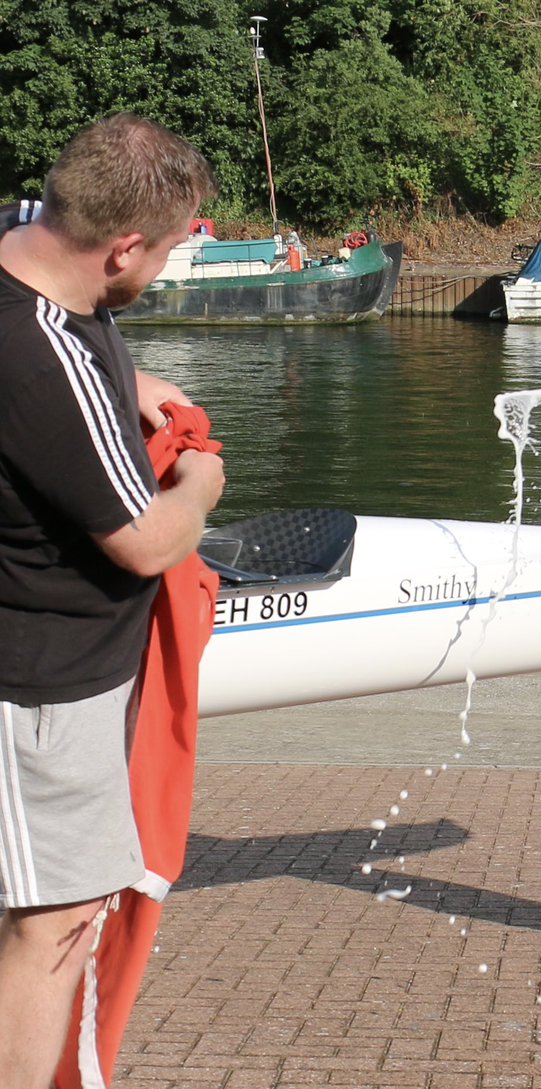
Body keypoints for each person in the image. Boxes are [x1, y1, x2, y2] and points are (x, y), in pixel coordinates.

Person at [0, 113, 226, 1087]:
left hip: (46, 677)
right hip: (41, 689)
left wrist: (128, 376)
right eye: (168, 252)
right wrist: (201, 486)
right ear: (123, 244)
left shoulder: (23, 243)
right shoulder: (42, 354)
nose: (164, 273)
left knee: (58, 909)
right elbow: (140, 543)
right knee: (50, 925)